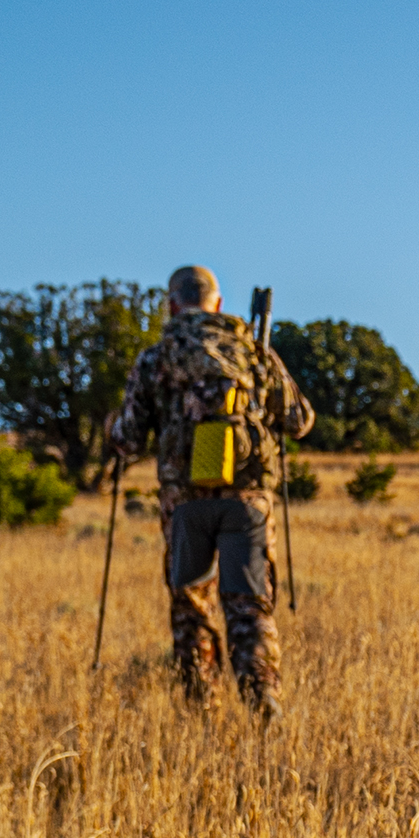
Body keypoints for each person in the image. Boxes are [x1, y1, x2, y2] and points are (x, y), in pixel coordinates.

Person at [108, 266, 313, 715]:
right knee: (249, 602)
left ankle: (200, 705)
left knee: (191, 605)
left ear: (172, 304)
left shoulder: (155, 358)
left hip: (186, 506)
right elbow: (300, 421)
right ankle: (263, 697)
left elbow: (126, 438)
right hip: (248, 503)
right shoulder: (255, 353)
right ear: (218, 304)